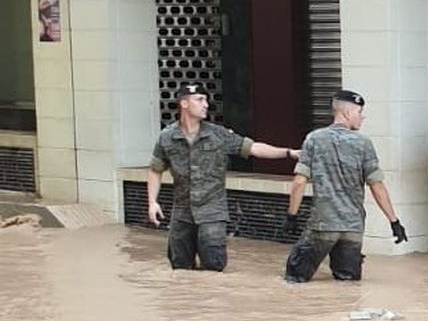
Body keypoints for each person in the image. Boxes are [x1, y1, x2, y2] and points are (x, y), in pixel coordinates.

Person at [147, 82, 299, 271]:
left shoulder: (218, 134)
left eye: (206, 100)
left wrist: (288, 153)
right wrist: (152, 202)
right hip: (181, 213)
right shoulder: (167, 137)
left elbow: (253, 148)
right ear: (184, 103)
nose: (206, 105)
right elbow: (155, 169)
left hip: (212, 211)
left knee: (214, 266)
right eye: (199, 100)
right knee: (180, 268)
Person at [282, 89, 407, 282]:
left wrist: (292, 216)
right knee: (348, 283)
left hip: (323, 225)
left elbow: (299, 182)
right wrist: (394, 222)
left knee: (295, 277)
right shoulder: (364, 143)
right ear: (347, 113)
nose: (362, 117)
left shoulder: (314, 139)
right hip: (353, 229)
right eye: (359, 112)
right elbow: (377, 186)